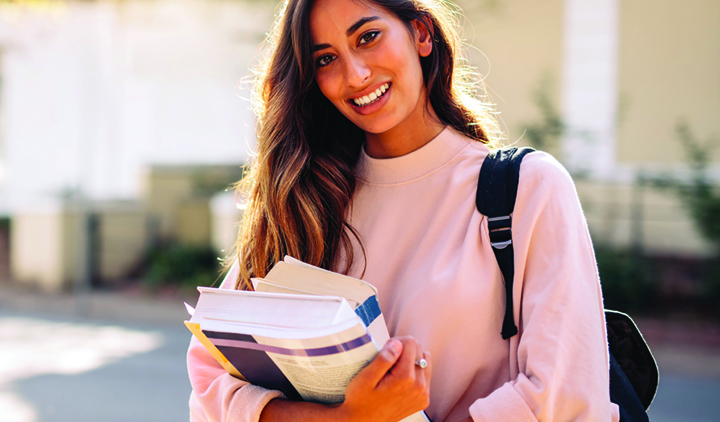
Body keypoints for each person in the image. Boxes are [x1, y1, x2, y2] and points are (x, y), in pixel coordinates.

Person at [187, 0, 620, 421]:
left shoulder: (527, 188)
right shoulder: (303, 200)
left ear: (421, 34)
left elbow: (566, 399)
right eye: (325, 59)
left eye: (369, 37)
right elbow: (210, 388)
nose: (354, 75)